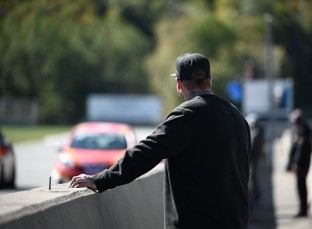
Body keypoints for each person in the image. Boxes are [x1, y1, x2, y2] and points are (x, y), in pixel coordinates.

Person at [69, 52, 251, 228]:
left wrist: (101, 180)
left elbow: (146, 152)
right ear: (210, 79)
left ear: (179, 84)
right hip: (235, 222)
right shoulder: (236, 116)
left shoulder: (188, 114)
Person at [286, 108, 312, 217]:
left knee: (301, 185)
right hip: (301, 163)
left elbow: (301, 148)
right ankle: (303, 208)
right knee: (300, 185)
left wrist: (296, 163)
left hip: (302, 163)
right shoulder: (301, 128)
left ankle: (303, 209)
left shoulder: (303, 130)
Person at [246, 113, 265, 202]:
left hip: (254, 158)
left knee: (253, 177)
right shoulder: (258, 132)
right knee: (253, 177)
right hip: (255, 157)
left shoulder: (256, 133)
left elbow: (253, 147)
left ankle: (256, 195)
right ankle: (256, 194)